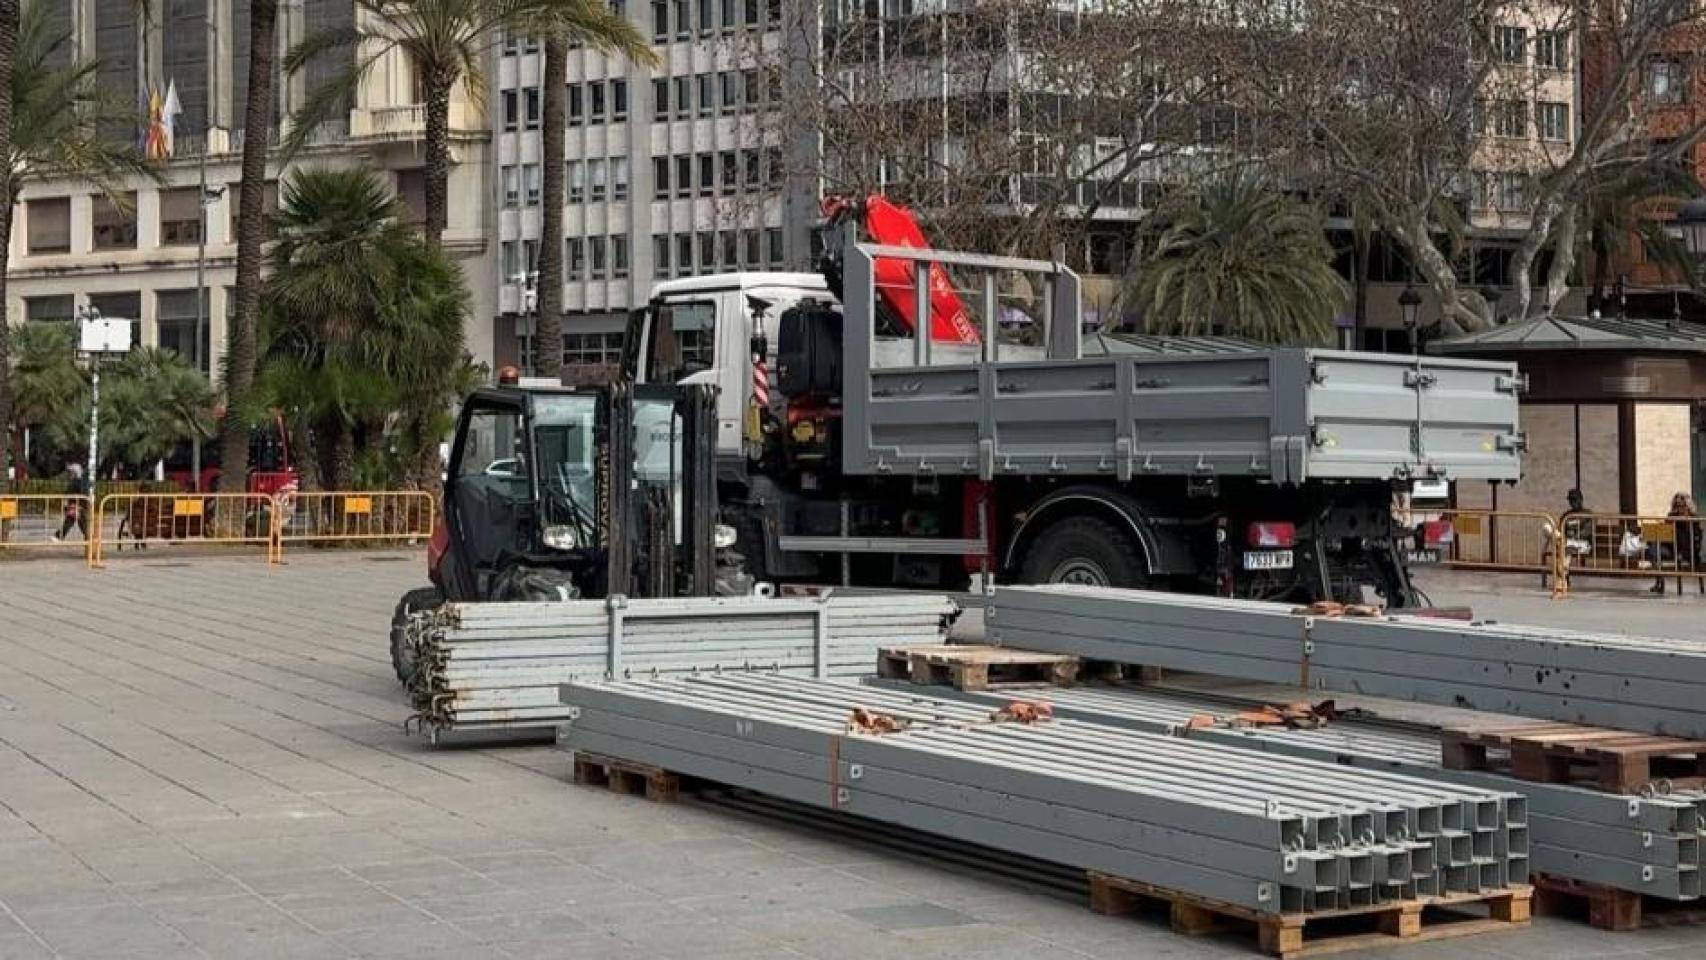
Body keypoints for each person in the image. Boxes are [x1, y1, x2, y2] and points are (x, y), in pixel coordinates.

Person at [1651, 492, 1700, 595]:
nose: (1680, 508)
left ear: (1687, 505)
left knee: (1657, 551)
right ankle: (1660, 580)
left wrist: (1685, 520)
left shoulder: (1693, 518)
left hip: (1687, 549)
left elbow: (1694, 537)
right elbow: (1666, 532)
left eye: (1682, 505)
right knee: (1654, 550)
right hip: (1671, 547)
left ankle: (1660, 580)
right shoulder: (1671, 516)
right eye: (1677, 505)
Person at [53, 463, 89, 542]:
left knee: (73, 521)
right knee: (78, 523)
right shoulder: (78, 481)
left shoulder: (78, 482)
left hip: (77, 505)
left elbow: (80, 493)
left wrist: (74, 504)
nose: (69, 474)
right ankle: (88, 538)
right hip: (77, 505)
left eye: (71, 472)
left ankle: (59, 536)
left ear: (75, 473)